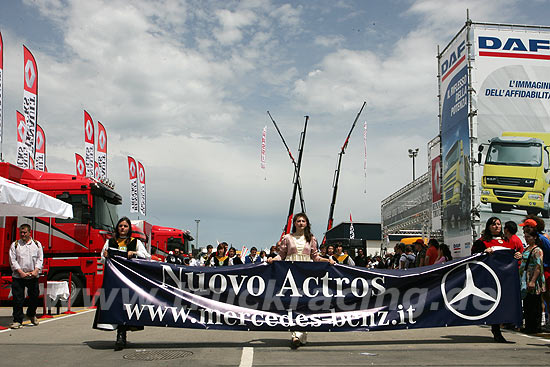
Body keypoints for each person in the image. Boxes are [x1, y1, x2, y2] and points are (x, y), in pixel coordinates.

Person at [267, 213, 334, 349]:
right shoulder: (287, 238)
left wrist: (328, 260)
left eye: (303, 221)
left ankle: (301, 333)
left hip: (306, 274)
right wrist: (272, 259)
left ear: (307, 223)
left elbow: (315, 257)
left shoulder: (312, 239)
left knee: (304, 303)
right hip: (290, 274)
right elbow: (281, 255)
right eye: (298, 221)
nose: (301, 223)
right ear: (295, 223)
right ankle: (295, 334)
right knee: (292, 303)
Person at [99, 217, 150, 350]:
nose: (122, 228)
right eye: (120, 226)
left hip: (130, 281)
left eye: (125, 226)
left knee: (127, 306)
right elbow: (102, 260)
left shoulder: (135, 242)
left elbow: (146, 257)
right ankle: (120, 335)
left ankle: (122, 334)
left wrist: (134, 253)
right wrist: (104, 255)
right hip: (114, 280)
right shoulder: (109, 242)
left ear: (129, 228)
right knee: (116, 306)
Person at [479, 216, 509, 343]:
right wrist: (484, 252)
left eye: (498, 224)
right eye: (493, 224)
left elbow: (515, 253)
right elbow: (475, 256)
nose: (496, 226)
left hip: (506, 277)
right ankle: (496, 330)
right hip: (490, 278)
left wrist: (518, 255)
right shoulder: (482, 241)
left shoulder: (508, 240)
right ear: (488, 227)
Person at [9, 224, 43, 329]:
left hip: (32, 276)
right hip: (19, 276)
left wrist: (36, 270)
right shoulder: (15, 245)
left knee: (34, 297)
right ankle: (17, 320)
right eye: (21, 233)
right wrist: (20, 272)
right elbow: (12, 260)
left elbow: (40, 258)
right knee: (18, 299)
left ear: (30, 232)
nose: (23, 234)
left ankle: (31, 314)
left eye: (25, 232)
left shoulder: (37, 244)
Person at [519, 215, 550, 332]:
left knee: (544, 298)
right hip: (531, 276)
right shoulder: (528, 247)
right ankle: (535, 323)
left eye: (526, 228)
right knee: (534, 300)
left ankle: (542, 322)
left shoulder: (542, 240)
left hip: (544, 271)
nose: (524, 231)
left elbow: (539, 263)